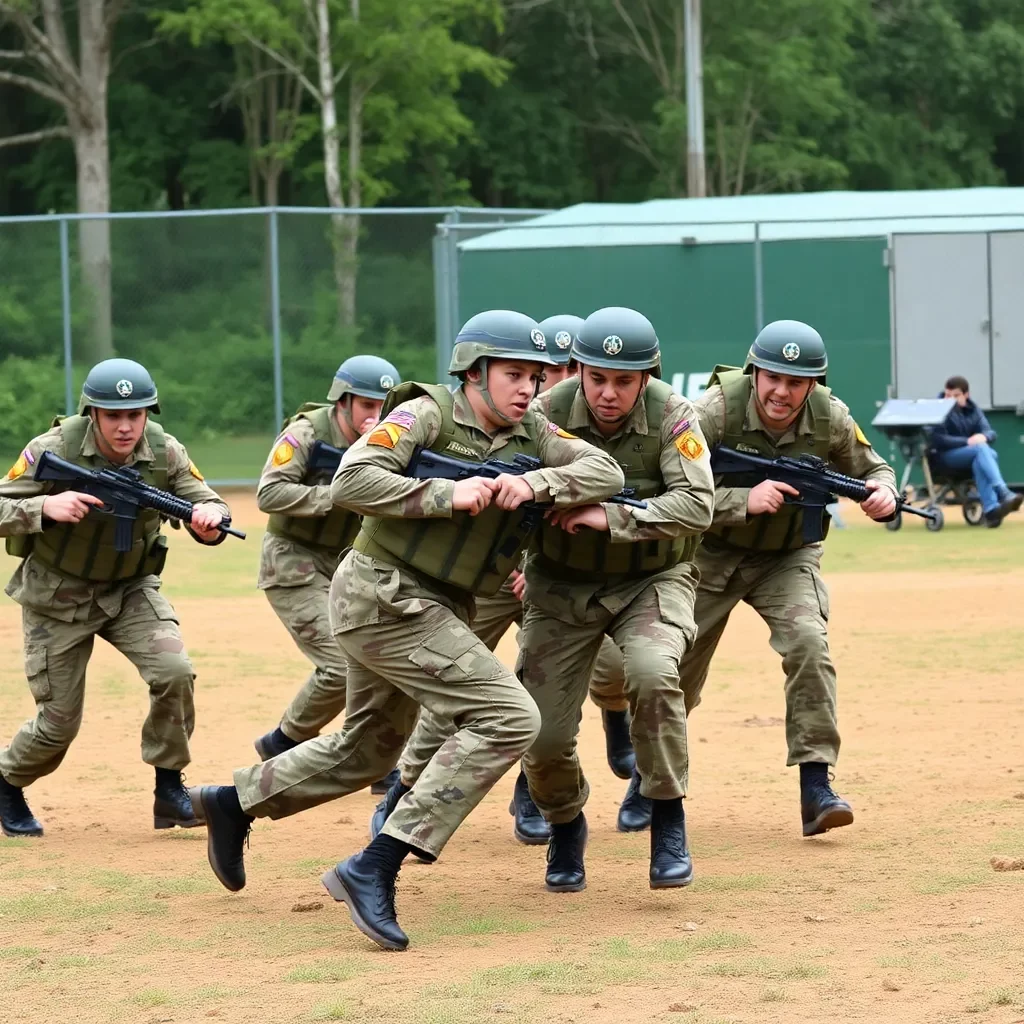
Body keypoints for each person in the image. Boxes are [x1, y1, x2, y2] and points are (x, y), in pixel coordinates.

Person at [189, 310, 625, 951]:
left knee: (369, 749)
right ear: (474, 374)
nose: (528, 387)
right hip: (385, 596)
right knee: (511, 717)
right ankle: (376, 866)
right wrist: (448, 495)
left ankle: (232, 802)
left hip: (433, 603)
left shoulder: (533, 430)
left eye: (534, 375)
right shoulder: (425, 414)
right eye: (513, 374)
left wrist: (534, 482)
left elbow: (605, 473)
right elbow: (351, 478)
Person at [369, 314, 639, 852]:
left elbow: (605, 475)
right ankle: (403, 789)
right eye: (528, 373)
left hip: (547, 572)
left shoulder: (546, 421)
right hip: (489, 577)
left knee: (589, 679)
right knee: (466, 692)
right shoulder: (479, 413)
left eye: (549, 372)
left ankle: (538, 786)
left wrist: (537, 483)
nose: (539, 385)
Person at [517, 306, 715, 894]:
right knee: (543, 733)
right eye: (596, 377)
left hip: (652, 580)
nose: (608, 393)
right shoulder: (544, 415)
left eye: (624, 381)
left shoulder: (675, 418)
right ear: (576, 368)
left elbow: (697, 505)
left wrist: (610, 514)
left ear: (648, 375)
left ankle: (668, 820)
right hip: (560, 584)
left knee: (655, 676)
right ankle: (565, 823)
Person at [680, 320, 898, 839]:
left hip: (787, 557)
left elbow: (875, 469)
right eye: (772, 378)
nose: (781, 392)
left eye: (795, 383)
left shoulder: (831, 418)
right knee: (671, 665)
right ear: (755, 373)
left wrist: (883, 493)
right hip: (708, 553)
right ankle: (653, 775)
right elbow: (670, 489)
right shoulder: (713, 411)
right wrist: (740, 501)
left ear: (814, 386)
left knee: (809, 645)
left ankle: (817, 786)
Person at [0, 358, 231, 837]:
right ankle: (7, 780)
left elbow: (206, 500)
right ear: (92, 414)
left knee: (174, 672)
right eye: (113, 416)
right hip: (56, 596)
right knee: (59, 724)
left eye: (136, 414)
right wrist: (43, 505)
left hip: (129, 589)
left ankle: (169, 787)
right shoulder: (52, 448)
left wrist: (209, 520)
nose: (126, 427)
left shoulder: (166, 451)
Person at [251, 355, 403, 796]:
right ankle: (289, 739)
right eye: (367, 406)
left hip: (349, 562)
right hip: (293, 560)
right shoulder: (306, 434)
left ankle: (373, 756)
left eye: (384, 407)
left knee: (379, 656)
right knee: (341, 665)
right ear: (344, 401)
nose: (376, 417)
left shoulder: (391, 441)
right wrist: (336, 494)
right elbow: (269, 491)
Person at [929, 375, 1022, 528]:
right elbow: (938, 439)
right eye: (947, 394)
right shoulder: (937, 409)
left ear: (966, 395)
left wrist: (983, 436)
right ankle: (1002, 492)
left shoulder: (974, 410)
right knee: (983, 451)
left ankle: (992, 511)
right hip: (944, 458)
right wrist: (967, 441)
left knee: (986, 454)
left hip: (971, 455)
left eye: (956, 395)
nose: (950, 399)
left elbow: (990, 433)